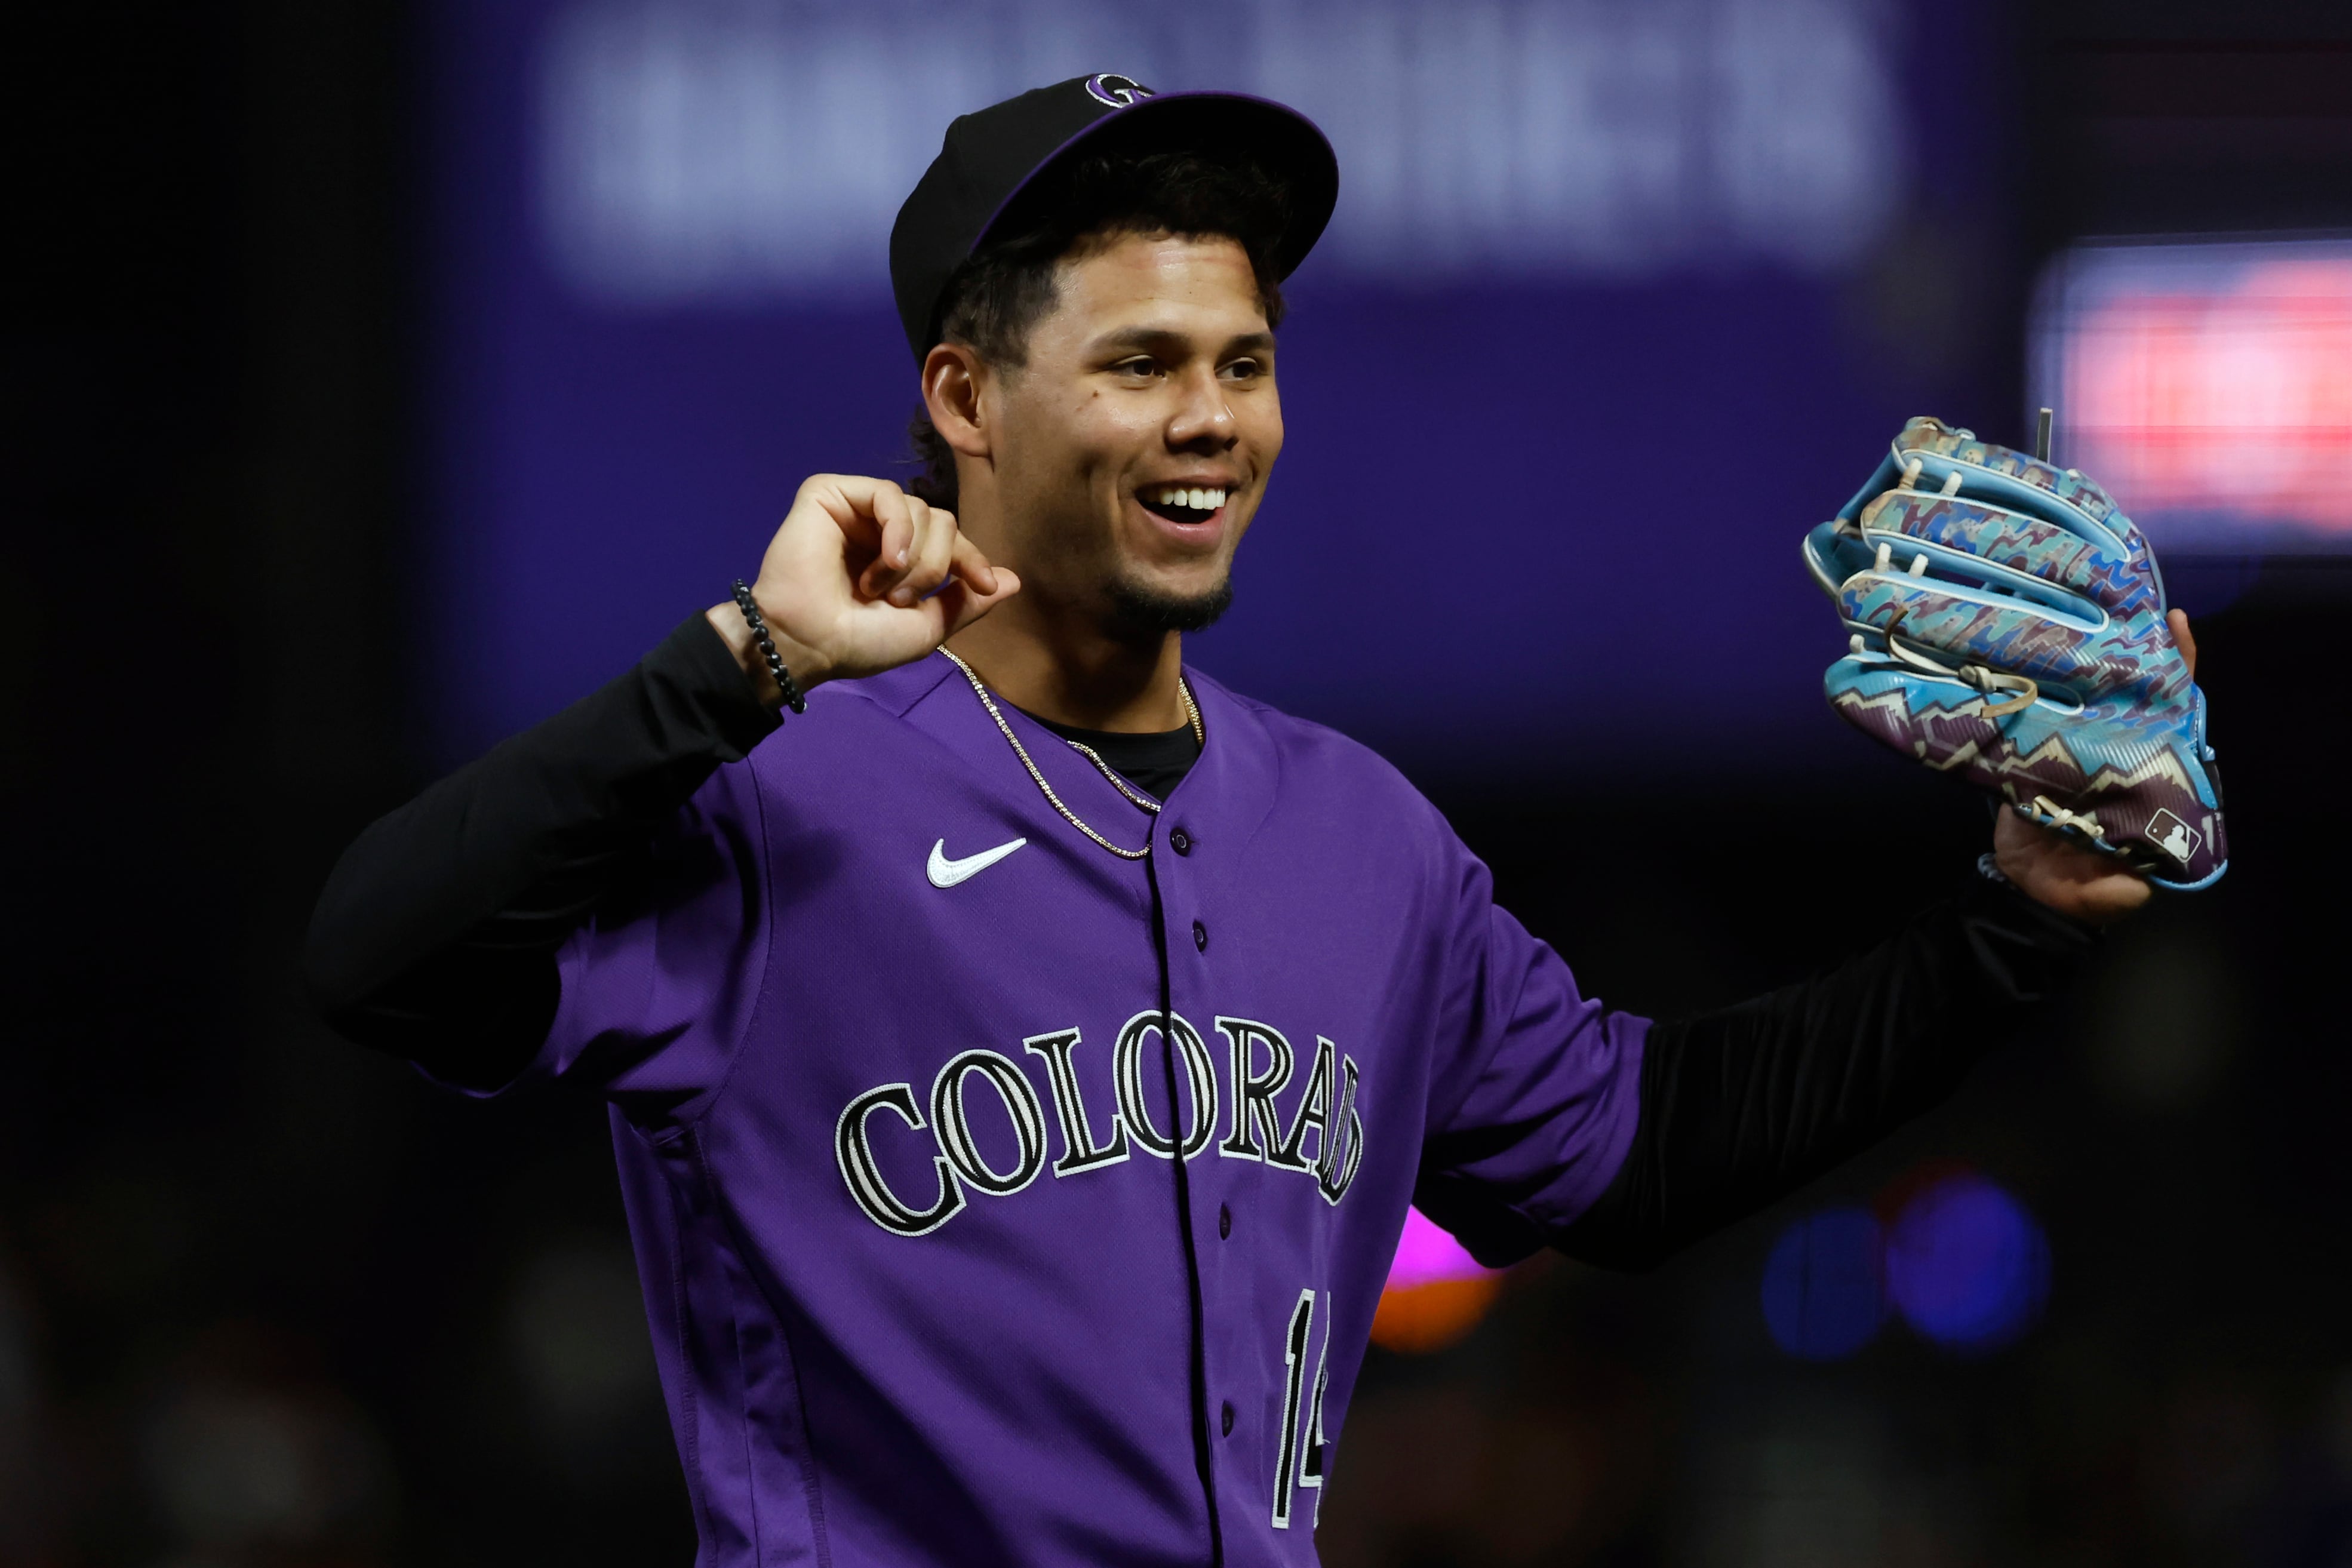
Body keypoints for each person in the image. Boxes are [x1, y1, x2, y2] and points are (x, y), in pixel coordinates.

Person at [307, 75, 2169, 1567]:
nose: (1210, 418)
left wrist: (2012, 923)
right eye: (1139, 363)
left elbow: (1635, 1151)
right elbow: (377, 953)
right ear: (964, 396)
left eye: (1243, 361)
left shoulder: (1360, 835)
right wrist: (737, 662)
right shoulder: (769, 799)